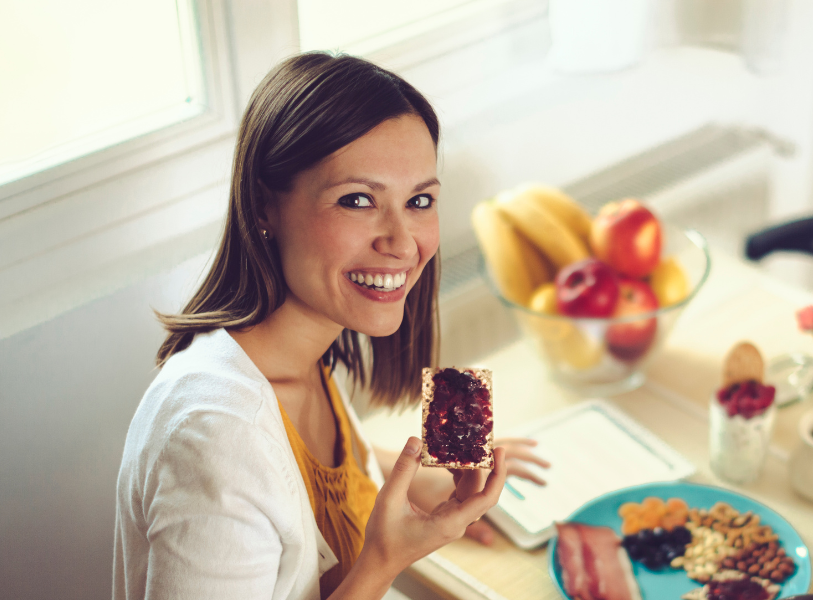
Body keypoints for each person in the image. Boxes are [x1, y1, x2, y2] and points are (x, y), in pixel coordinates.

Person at [113, 52, 548, 600]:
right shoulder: (215, 440)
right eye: (358, 200)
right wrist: (383, 561)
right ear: (264, 206)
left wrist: (429, 477)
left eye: (419, 201)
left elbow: (309, 478)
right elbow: (260, 472)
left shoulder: (309, 349)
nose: (401, 242)